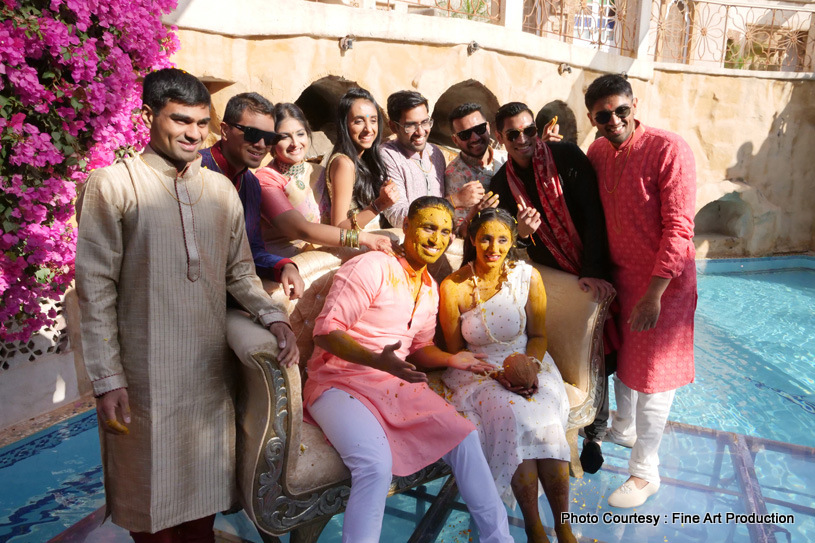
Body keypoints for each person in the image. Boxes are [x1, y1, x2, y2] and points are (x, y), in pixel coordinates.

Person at [75, 68, 299, 542]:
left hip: (207, 376)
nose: (194, 134)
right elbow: (95, 291)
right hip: (141, 380)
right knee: (148, 505)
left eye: (201, 123)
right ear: (147, 117)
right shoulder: (114, 185)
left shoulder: (221, 191)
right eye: (181, 121)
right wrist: (107, 379)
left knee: (203, 505)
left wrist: (274, 316)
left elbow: (238, 272)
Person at [303, 196, 513, 543]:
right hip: (337, 384)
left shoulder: (429, 287)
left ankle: (499, 539)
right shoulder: (373, 266)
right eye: (429, 227)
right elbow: (326, 333)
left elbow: (419, 349)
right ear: (406, 227)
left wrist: (450, 359)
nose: (437, 239)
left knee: (464, 434)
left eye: (446, 231)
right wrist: (376, 360)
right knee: (374, 465)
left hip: (392, 384)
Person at [585, 74, 697, 508]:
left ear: (635, 105)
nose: (613, 120)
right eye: (603, 115)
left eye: (621, 110)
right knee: (626, 358)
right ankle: (623, 427)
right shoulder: (597, 151)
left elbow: (679, 229)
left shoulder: (668, 149)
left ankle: (645, 471)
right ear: (593, 119)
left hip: (662, 285)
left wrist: (655, 295)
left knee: (654, 377)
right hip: (621, 280)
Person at [489, 102, 618, 474]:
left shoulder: (566, 157)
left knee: (602, 352)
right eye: (513, 134)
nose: (524, 139)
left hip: (589, 267)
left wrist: (593, 271)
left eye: (529, 130)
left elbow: (593, 215)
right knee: (574, 354)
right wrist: (522, 234)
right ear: (502, 138)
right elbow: (510, 248)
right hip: (550, 276)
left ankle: (594, 433)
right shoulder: (502, 184)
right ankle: (582, 433)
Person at [439, 208, 577, 543]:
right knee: (512, 413)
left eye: (502, 239)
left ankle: (563, 526)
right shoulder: (453, 287)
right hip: (479, 372)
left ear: (513, 239)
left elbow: (539, 335)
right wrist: (493, 372)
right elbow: (456, 350)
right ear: (472, 238)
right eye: (485, 237)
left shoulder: (528, 277)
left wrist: (527, 367)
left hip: (531, 361)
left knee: (543, 412)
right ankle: (534, 527)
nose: (493, 247)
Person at [198, 91, 303, 299]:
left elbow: (250, 249)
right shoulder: (195, 169)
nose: (262, 145)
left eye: (269, 138)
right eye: (252, 134)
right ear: (225, 131)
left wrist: (284, 266)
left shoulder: (251, 185)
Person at [255, 102, 394, 256]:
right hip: (285, 265)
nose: (295, 143)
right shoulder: (266, 181)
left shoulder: (318, 172)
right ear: (271, 142)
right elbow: (300, 230)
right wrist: (365, 238)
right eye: (284, 137)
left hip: (324, 256)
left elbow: (339, 227)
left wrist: (379, 205)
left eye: (300, 134)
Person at [381, 90, 483, 228]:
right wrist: (454, 201)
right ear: (394, 127)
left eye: (425, 122)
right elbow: (398, 217)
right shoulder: (387, 156)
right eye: (410, 126)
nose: (421, 132)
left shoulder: (435, 153)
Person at [325, 87, 399, 231]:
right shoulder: (344, 164)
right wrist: (380, 204)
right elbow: (339, 228)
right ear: (344, 125)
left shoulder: (367, 159)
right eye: (358, 121)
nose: (369, 129)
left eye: (373, 120)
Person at [444, 102, 507, 233]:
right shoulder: (455, 175)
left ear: (488, 127)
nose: (475, 138)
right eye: (465, 135)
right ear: (455, 140)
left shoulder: (506, 158)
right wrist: (476, 212)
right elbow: (460, 232)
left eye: (479, 129)